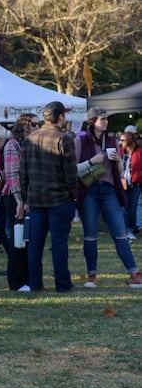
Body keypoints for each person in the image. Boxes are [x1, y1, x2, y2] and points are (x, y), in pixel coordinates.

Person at [74, 107, 142, 288]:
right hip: (89, 191)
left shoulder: (111, 140)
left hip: (109, 190)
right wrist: (91, 161)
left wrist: (118, 162)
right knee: (90, 235)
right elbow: (72, 169)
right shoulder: (80, 141)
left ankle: (134, 273)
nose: (106, 121)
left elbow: (118, 172)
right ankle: (92, 275)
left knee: (120, 232)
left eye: (106, 119)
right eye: (102, 119)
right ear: (92, 121)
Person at [17, 101, 78, 293]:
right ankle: (62, 284)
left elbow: (23, 172)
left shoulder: (30, 138)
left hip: (36, 198)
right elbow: (70, 172)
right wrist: (73, 194)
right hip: (59, 198)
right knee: (59, 242)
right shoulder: (63, 138)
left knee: (36, 243)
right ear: (60, 117)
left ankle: (35, 283)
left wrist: (26, 196)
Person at [0, 119, 30, 291]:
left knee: (24, 239)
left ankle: (25, 278)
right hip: (15, 198)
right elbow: (12, 174)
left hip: (23, 198)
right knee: (17, 239)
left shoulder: (26, 145)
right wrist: (19, 200)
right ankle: (17, 281)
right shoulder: (13, 145)